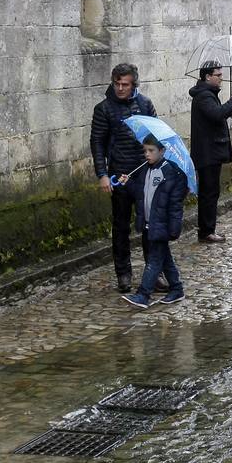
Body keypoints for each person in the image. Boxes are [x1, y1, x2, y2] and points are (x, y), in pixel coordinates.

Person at [90, 62, 159, 293]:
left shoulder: (145, 104)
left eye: (125, 85)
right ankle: (124, 273)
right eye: (117, 84)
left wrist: (155, 158)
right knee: (121, 226)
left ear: (133, 85)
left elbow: (156, 134)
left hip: (143, 173)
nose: (121, 88)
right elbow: (97, 143)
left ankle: (153, 271)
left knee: (150, 225)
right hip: (119, 175)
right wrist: (102, 174)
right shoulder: (104, 109)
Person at [116, 135, 188, 309]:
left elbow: (175, 204)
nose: (147, 154)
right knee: (165, 259)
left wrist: (174, 227)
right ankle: (177, 289)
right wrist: (128, 183)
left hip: (161, 224)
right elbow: (141, 194)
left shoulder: (171, 172)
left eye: (151, 151)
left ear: (162, 151)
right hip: (149, 223)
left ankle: (143, 294)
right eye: (145, 150)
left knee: (154, 260)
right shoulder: (144, 170)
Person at [188, 61, 232, 243]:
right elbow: (217, 114)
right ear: (207, 76)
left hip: (210, 151)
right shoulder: (204, 96)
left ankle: (207, 229)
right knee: (209, 193)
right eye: (218, 75)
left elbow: (215, 117)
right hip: (207, 152)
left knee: (211, 191)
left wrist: (227, 110)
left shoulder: (208, 94)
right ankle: (206, 231)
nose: (221, 78)